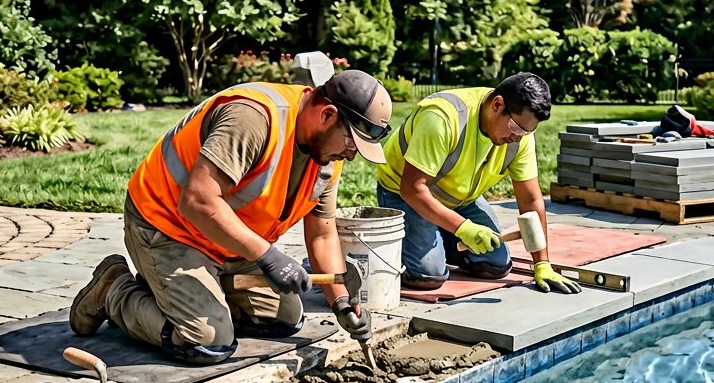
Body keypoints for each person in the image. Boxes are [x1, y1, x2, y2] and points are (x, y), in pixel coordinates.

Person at [69, 70, 393, 364]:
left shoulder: (327, 156)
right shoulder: (254, 118)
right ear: (327, 115)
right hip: (167, 227)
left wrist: (341, 303)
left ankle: (203, 289)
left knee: (286, 319)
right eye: (352, 142)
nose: (351, 155)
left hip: (226, 242)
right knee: (207, 342)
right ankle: (114, 289)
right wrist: (267, 256)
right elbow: (197, 200)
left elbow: (322, 235)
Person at [375, 72, 580, 294]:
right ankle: (405, 244)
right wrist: (463, 228)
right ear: (497, 105)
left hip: (460, 199)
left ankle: (441, 233)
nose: (518, 138)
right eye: (517, 129)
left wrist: (542, 263)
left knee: (496, 264)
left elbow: (530, 199)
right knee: (427, 275)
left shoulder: (519, 136)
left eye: (527, 131)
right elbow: (412, 188)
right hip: (404, 194)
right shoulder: (442, 117)